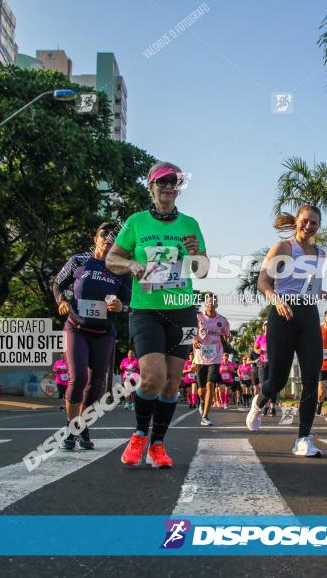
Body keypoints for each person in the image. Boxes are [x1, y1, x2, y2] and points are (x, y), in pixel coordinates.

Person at [106, 161, 208, 469]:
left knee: (173, 381)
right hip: (146, 310)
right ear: (152, 186)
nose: (167, 186)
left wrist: (195, 254)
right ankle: (139, 434)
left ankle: (158, 444)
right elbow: (112, 258)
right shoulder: (136, 222)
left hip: (183, 312)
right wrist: (133, 266)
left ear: (178, 187)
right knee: (152, 377)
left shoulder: (190, 223)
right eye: (161, 181)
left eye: (173, 181)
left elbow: (202, 271)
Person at [245, 204, 327, 457]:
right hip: (283, 314)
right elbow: (263, 282)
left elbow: (311, 288)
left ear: (318, 226)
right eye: (305, 221)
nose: (309, 226)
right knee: (278, 380)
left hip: (308, 315)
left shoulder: (320, 254)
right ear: (297, 221)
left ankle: (304, 439)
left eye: (314, 223)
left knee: (312, 376)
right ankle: (260, 400)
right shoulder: (284, 247)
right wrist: (276, 300)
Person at [53, 223, 131, 450]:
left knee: (95, 385)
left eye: (114, 236)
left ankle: (83, 426)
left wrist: (121, 307)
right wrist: (62, 301)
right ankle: (71, 427)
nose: (109, 238)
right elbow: (58, 283)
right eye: (104, 234)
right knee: (77, 379)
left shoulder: (121, 269)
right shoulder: (79, 261)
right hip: (76, 329)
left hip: (103, 333)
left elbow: (131, 304)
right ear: (95, 238)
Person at [193, 293, 231, 425]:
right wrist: (194, 340)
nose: (211, 304)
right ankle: (203, 402)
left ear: (217, 304)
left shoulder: (222, 320)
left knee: (210, 385)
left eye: (214, 302)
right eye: (209, 302)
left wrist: (228, 338)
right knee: (201, 390)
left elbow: (226, 334)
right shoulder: (198, 317)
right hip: (200, 357)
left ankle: (205, 416)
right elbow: (190, 331)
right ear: (205, 304)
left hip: (215, 357)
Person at [253, 322, 276, 416]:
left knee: (273, 384)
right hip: (262, 364)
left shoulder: (275, 336)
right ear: (263, 327)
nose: (267, 326)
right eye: (265, 324)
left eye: (268, 324)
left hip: (272, 363)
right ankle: (266, 405)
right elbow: (255, 348)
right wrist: (258, 350)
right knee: (264, 385)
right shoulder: (260, 337)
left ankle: (272, 407)